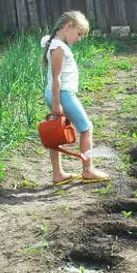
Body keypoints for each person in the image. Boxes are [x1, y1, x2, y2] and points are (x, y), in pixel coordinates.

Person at [42, 10, 109, 186]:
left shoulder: (57, 44)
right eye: (79, 34)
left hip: (56, 94)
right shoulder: (58, 48)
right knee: (86, 127)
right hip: (62, 95)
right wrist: (57, 103)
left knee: (54, 133)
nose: (79, 39)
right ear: (69, 26)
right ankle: (88, 170)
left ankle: (58, 174)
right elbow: (57, 80)